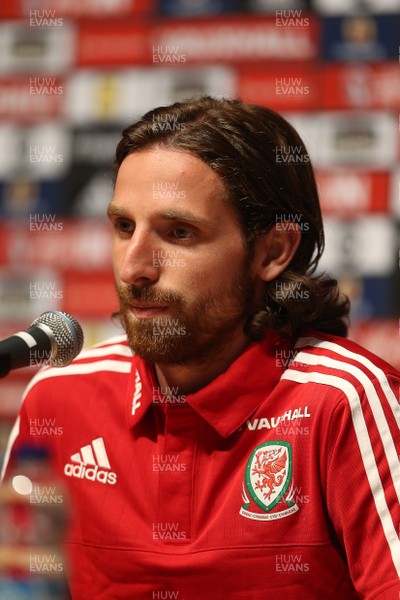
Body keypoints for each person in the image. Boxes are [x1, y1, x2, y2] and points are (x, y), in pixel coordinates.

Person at [1, 96, 399, 599]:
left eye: (179, 232)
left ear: (273, 251)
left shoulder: (342, 402)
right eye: (124, 227)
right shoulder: (59, 397)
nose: (134, 268)